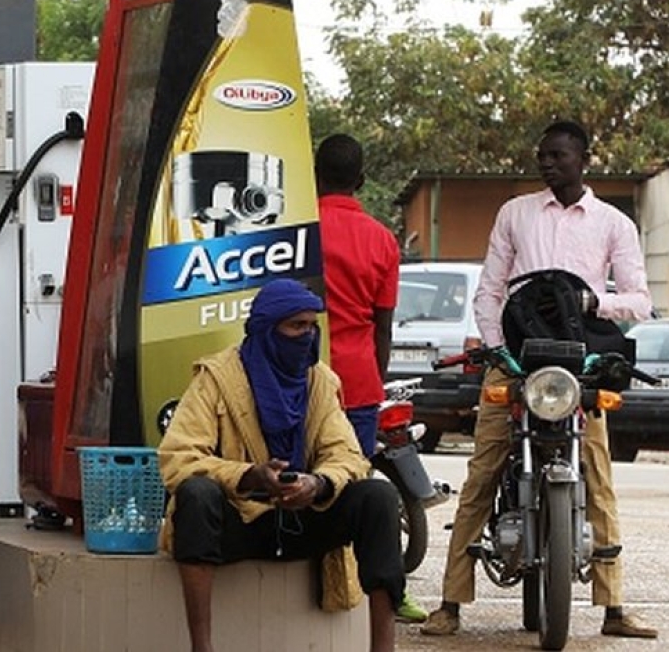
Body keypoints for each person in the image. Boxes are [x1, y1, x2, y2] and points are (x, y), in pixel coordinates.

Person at [422, 120, 658, 639]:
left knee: (597, 476)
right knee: (481, 476)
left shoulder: (613, 223)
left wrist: (595, 302)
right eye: (542, 156)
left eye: (558, 156)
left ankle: (614, 608)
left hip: (578, 368)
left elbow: (641, 300)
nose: (547, 164)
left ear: (584, 159)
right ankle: (450, 603)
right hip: (515, 363)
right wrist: (496, 349)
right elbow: (489, 290)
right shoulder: (515, 213)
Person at [158, 278, 405, 652]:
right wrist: (248, 476)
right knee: (196, 493)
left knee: (378, 497)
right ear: (267, 330)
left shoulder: (319, 379)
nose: (306, 336)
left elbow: (349, 456)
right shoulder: (217, 378)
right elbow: (178, 458)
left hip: (302, 518)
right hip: (242, 518)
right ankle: (201, 648)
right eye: (296, 326)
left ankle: (383, 648)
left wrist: (317, 484)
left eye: (311, 325)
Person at [315, 133, 427, 624]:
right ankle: (380, 592)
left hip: (298, 376)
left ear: (314, 174)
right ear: (361, 181)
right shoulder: (382, 239)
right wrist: (373, 384)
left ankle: (311, 578)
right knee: (354, 488)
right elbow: (382, 325)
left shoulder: (297, 229)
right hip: (357, 382)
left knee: (303, 479)